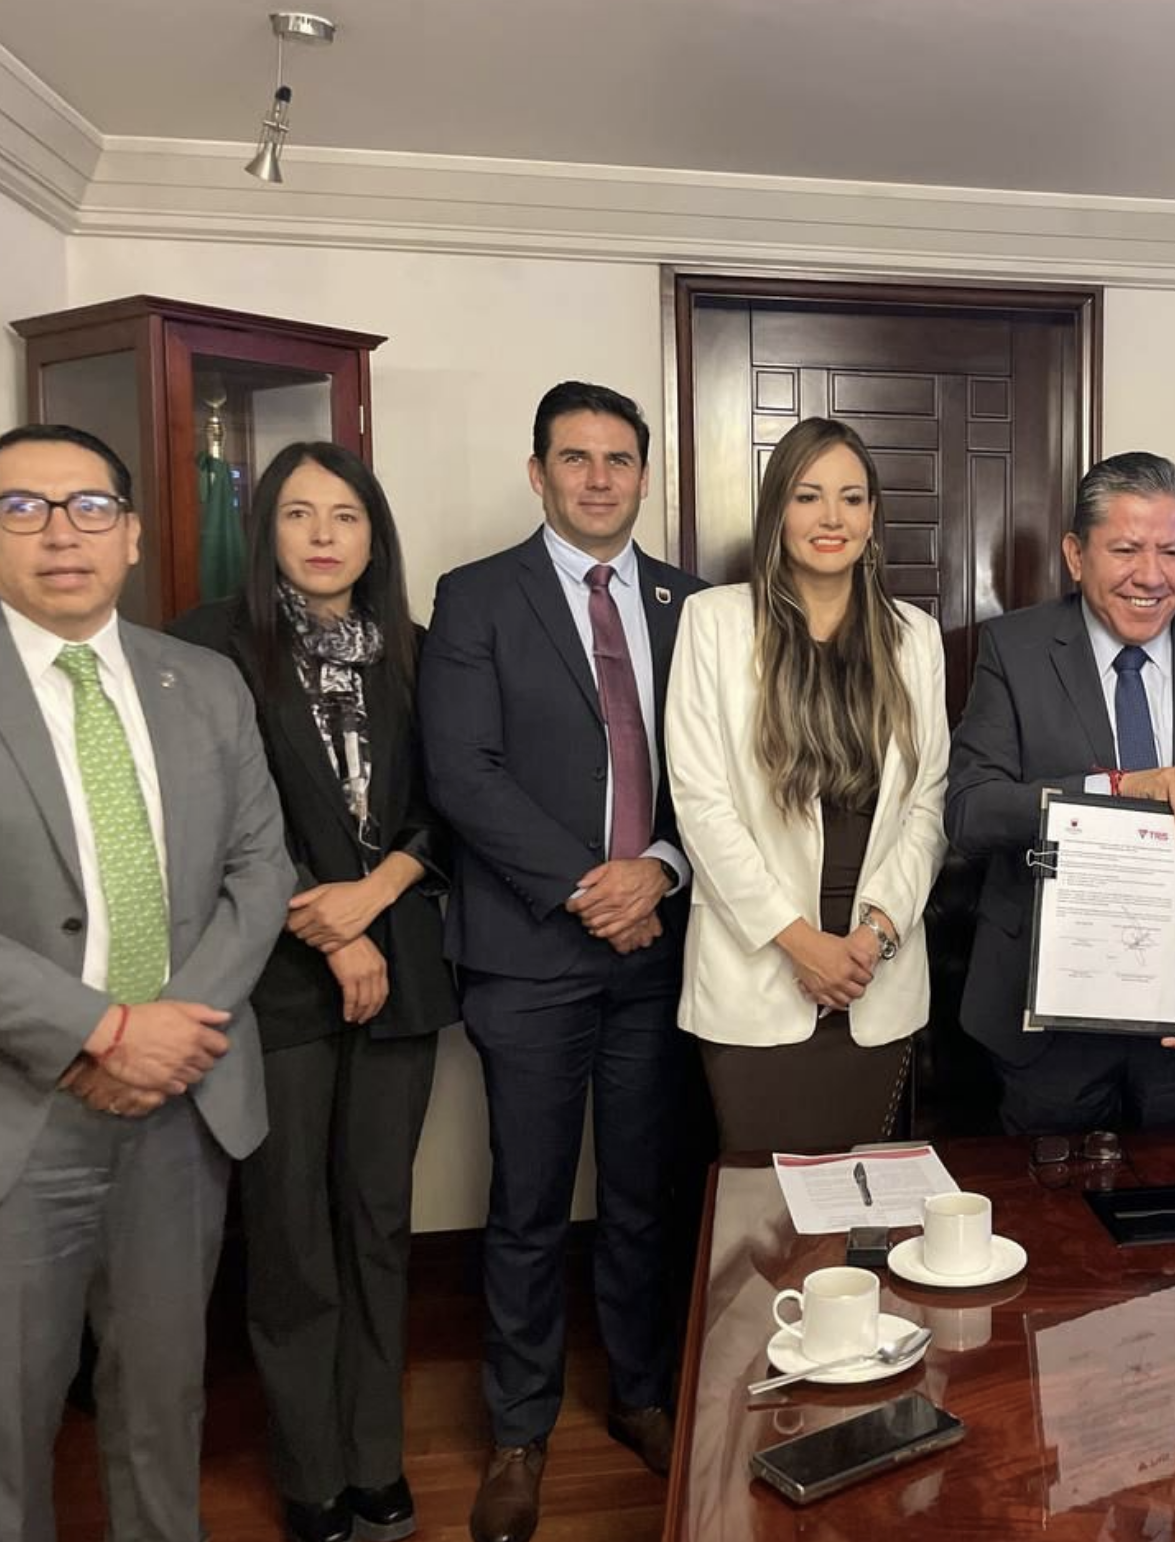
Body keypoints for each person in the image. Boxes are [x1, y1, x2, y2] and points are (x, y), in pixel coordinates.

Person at [0, 424, 292, 1541]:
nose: (62, 533)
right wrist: (100, 1030)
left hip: (183, 1103)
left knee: (162, 1403)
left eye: (90, 507)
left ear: (133, 534)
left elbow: (260, 871)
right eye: (24, 507)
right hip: (12, 1109)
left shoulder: (202, 681)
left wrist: (168, 1036)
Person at [419, 382, 706, 1542]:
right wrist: (597, 887)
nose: (598, 478)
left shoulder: (695, 605)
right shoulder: (475, 595)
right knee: (529, 1202)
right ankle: (518, 1430)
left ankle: (642, 1393)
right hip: (531, 949)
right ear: (537, 472)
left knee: (642, 1192)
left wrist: (663, 870)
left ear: (643, 475)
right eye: (575, 458)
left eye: (618, 459)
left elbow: (717, 774)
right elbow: (462, 772)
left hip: (658, 948)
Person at [171, 442, 455, 1542]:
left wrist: (373, 897)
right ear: (267, 531)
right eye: (298, 513)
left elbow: (446, 812)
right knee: (290, 1234)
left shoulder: (418, 653)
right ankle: (310, 1473)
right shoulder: (210, 646)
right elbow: (213, 820)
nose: (324, 534)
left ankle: (375, 1458)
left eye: (345, 514)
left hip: (402, 974)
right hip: (275, 981)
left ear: (375, 534)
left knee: (378, 1224)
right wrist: (331, 932)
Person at [946, 450, 1175, 1134]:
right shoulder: (1015, 650)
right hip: (1049, 1014)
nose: (1151, 576)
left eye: (1171, 552)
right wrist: (1115, 788)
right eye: (1125, 550)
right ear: (1075, 556)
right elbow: (971, 810)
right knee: (1049, 1200)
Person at [665, 417, 949, 1151]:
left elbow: (929, 804)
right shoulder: (713, 623)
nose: (832, 518)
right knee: (763, 1203)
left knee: (865, 1198)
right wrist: (801, 945)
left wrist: (874, 936)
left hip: (873, 971)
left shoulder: (914, 637)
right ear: (776, 512)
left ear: (872, 517)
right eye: (807, 496)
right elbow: (701, 805)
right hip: (759, 970)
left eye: (852, 499)